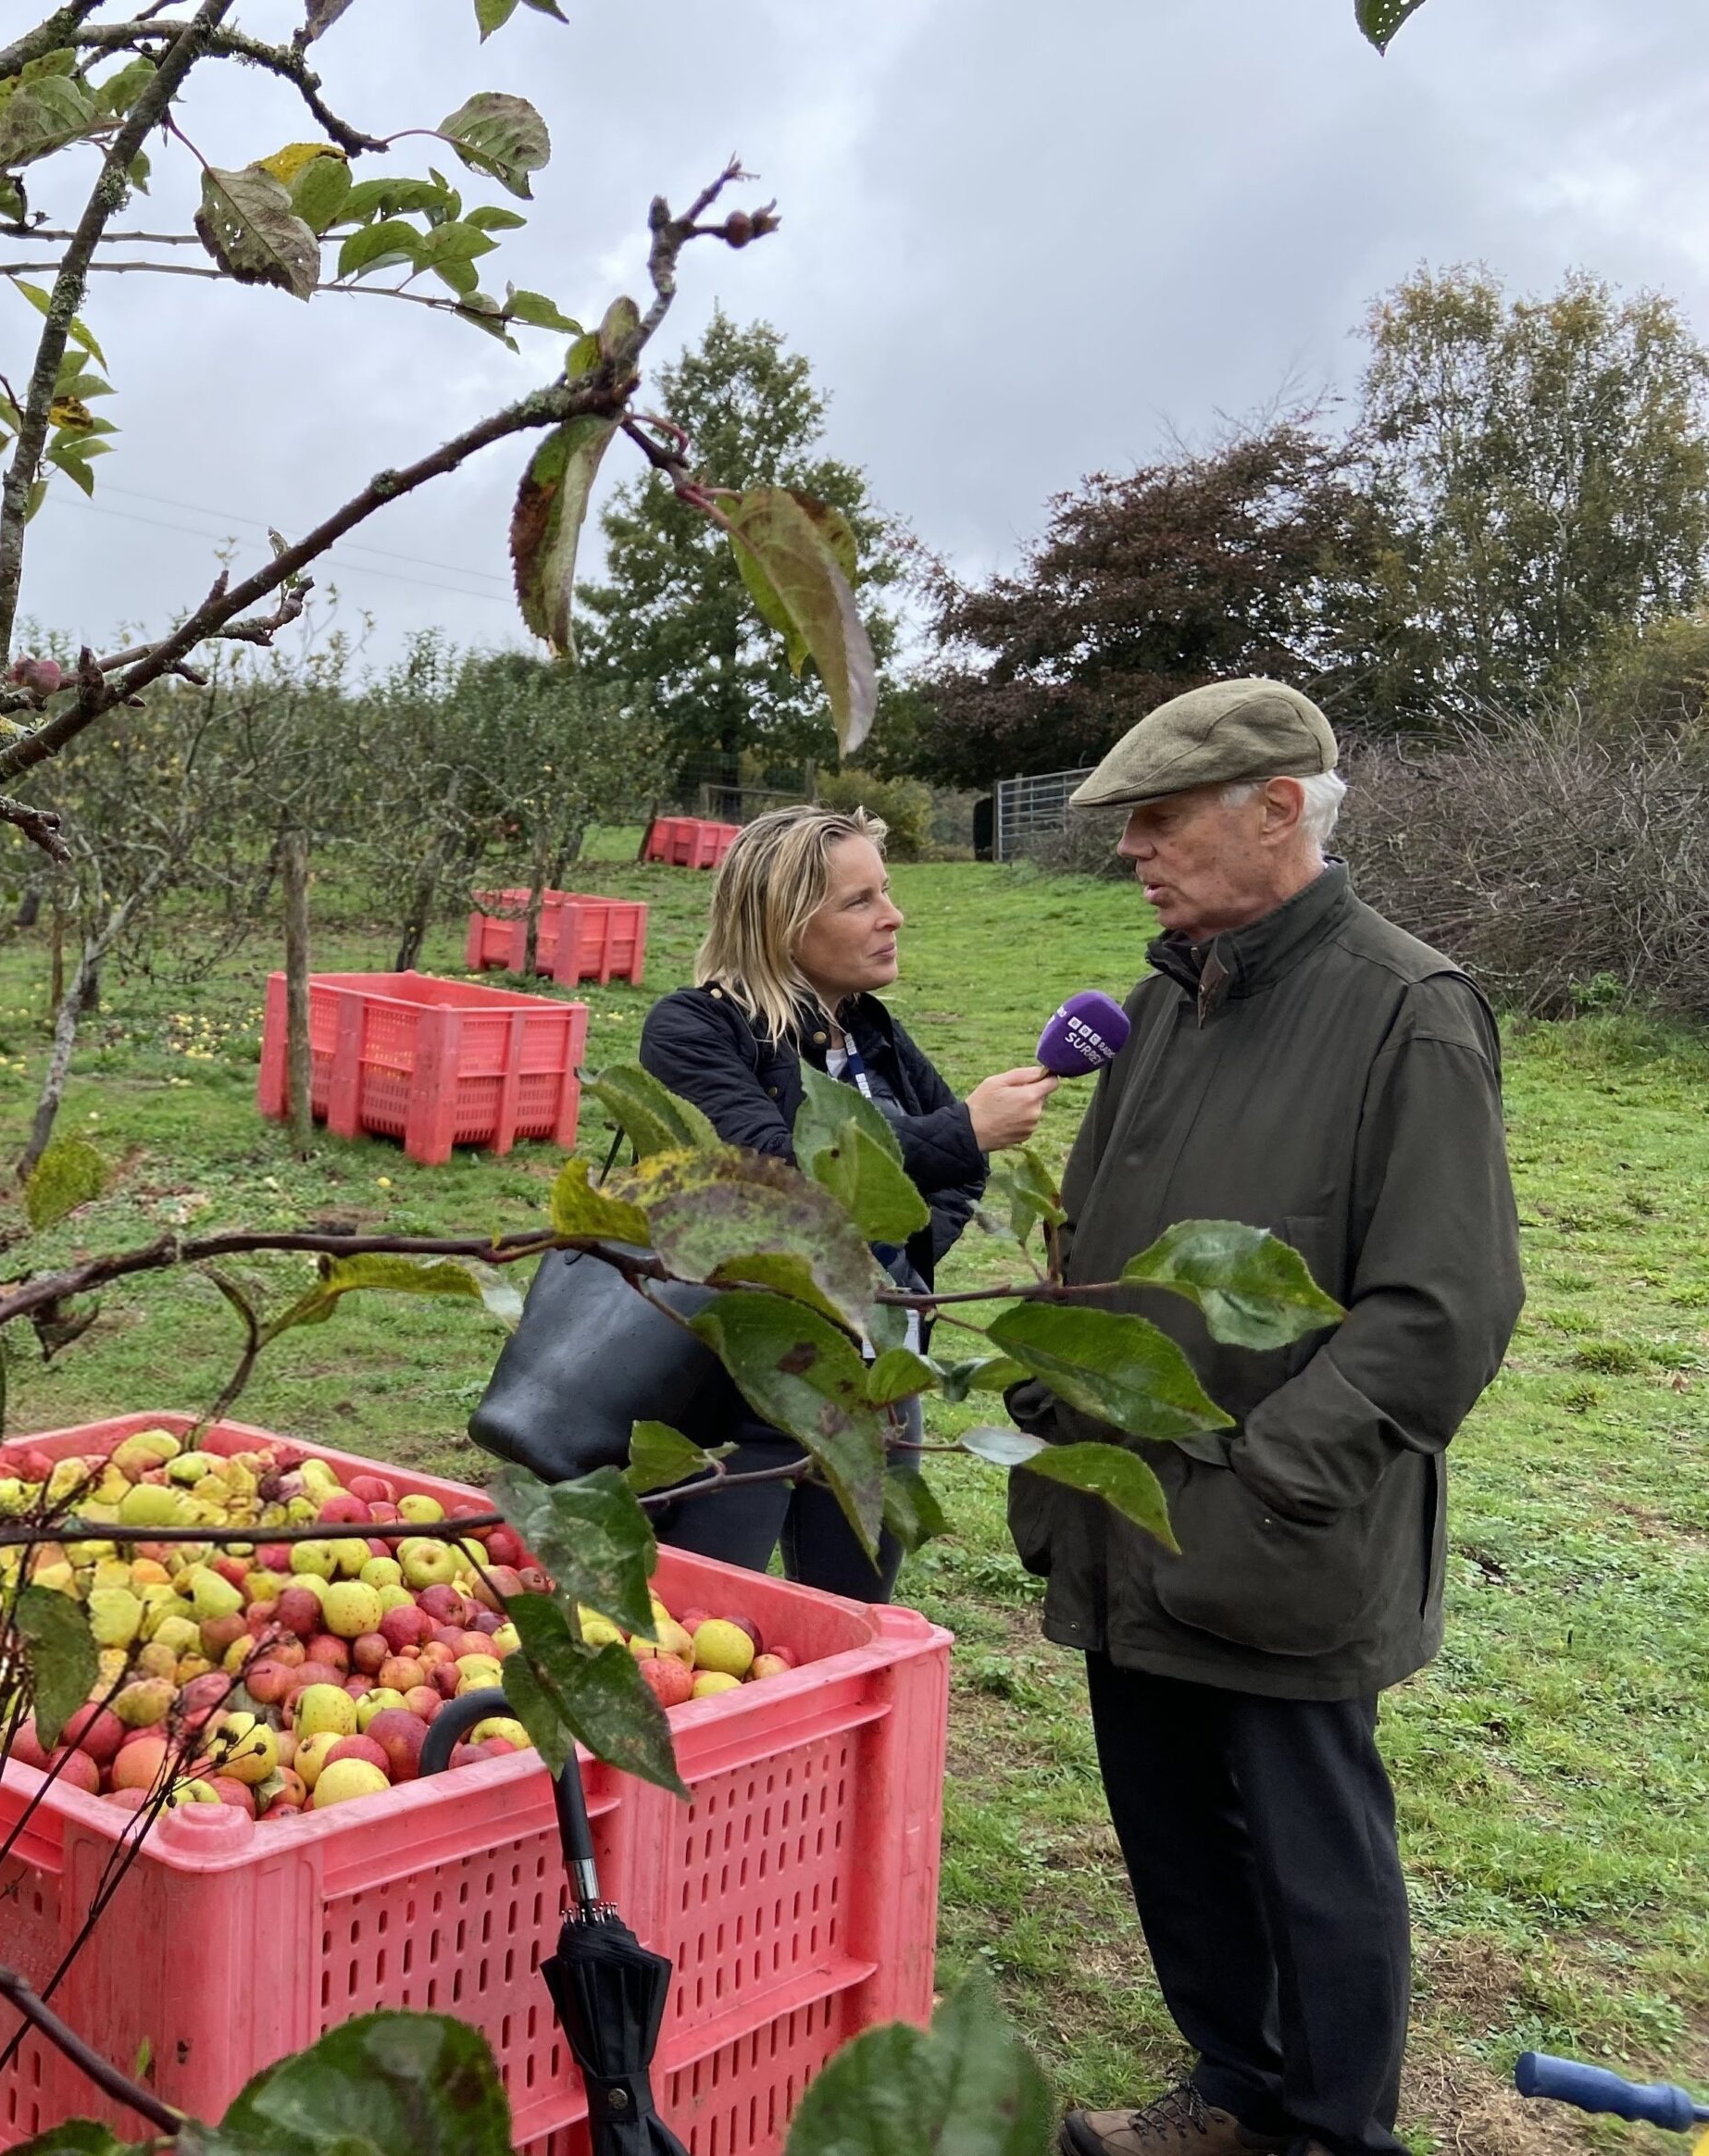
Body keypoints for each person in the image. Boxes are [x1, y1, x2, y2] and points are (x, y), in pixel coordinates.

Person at [1005, 680, 1524, 2156]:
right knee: (1171, 1831)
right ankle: (1233, 2088)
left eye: (1159, 822)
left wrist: (1262, 1478)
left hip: (1271, 1537)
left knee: (1310, 1857)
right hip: (1126, 1512)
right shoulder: (1174, 993)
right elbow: (1096, 1229)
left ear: (1278, 807)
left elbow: (1446, 1307)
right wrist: (1058, 1374)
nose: (1133, 853)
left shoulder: (1407, 1012)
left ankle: (1333, 2131)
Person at [638, 802, 1055, 1600]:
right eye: (858, 901)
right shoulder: (697, 1030)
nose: (892, 916)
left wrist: (884, 1260)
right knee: (702, 1618)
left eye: (885, 892)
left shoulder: (872, 1034)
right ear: (779, 921)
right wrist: (964, 1130)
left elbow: (958, 1179)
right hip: (744, 1387)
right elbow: (778, 1171)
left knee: (852, 1613)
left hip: (875, 1392)